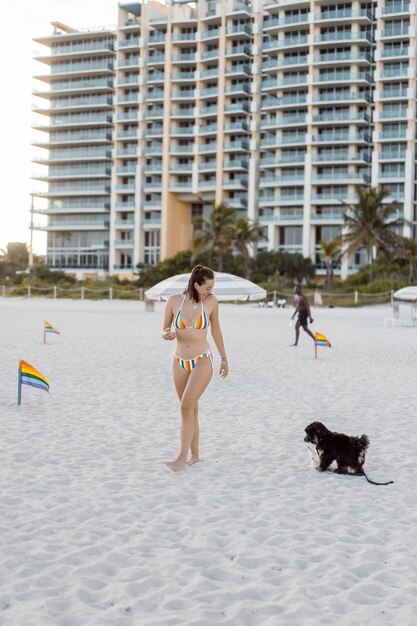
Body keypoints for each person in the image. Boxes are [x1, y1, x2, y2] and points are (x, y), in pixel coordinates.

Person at [161, 265, 228, 472]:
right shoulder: (173, 302)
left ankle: (181, 458)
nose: (211, 291)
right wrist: (167, 334)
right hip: (179, 360)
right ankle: (195, 454)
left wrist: (224, 359)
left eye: (212, 287)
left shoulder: (211, 302)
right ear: (196, 284)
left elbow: (216, 331)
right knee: (191, 409)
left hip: (202, 359)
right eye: (207, 287)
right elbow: (164, 329)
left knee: (185, 406)